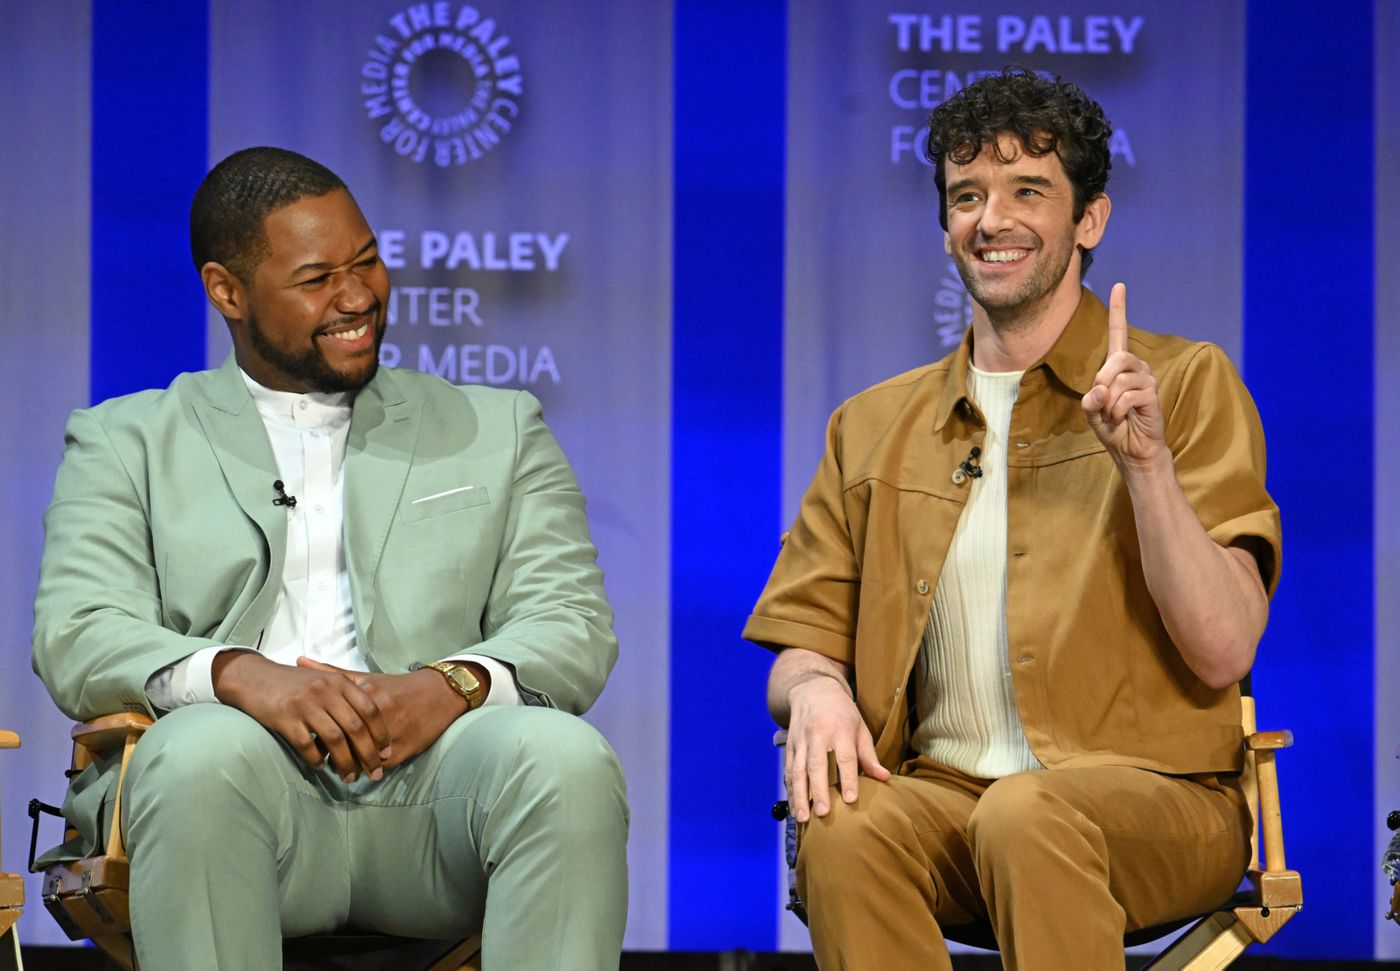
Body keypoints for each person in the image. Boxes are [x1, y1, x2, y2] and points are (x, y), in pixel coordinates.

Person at [31, 146, 628, 970]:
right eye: (317, 279)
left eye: (369, 261)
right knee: (199, 751)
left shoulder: (500, 427)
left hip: (438, 797)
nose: (358, 297)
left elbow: (573, 623)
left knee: (567, 760)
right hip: (236, 791)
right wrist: (243, 677)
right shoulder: (124, 440)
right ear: (227, 291)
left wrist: (449, 685)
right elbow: (79, 631)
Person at [744, 68, 1281, 969]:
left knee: (1029, 810)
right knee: (845, 825)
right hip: (949, 800)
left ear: (1090, 221)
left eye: (1028, 190)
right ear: (947, 227)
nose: (991, 219)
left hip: (1162, 804)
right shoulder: (871, 426)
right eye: (966, 197)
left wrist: (1146, 469)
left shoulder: (1185, 384)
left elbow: (1226, 647)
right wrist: (818, 689)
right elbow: (803, 641)